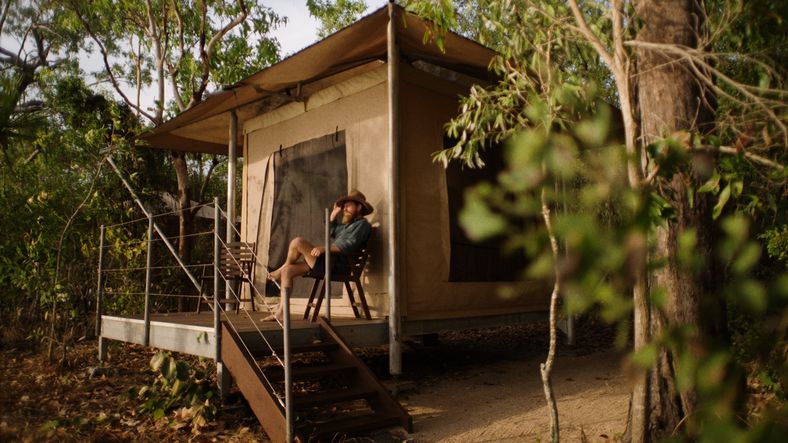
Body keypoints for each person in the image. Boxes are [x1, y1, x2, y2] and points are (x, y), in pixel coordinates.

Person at [265, 189, 373, 321]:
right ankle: (281, 312)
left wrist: (323, 249)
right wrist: (333, 215)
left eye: (348, 206)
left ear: (359, 207)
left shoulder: (362, 225)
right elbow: (332, 231)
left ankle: (278, 271)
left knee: (298, 242)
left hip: (338, 265)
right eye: (344, 206)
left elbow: (348, 245)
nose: (344, 209)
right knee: (287, 271)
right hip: (329, 262)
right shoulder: (348, 226)